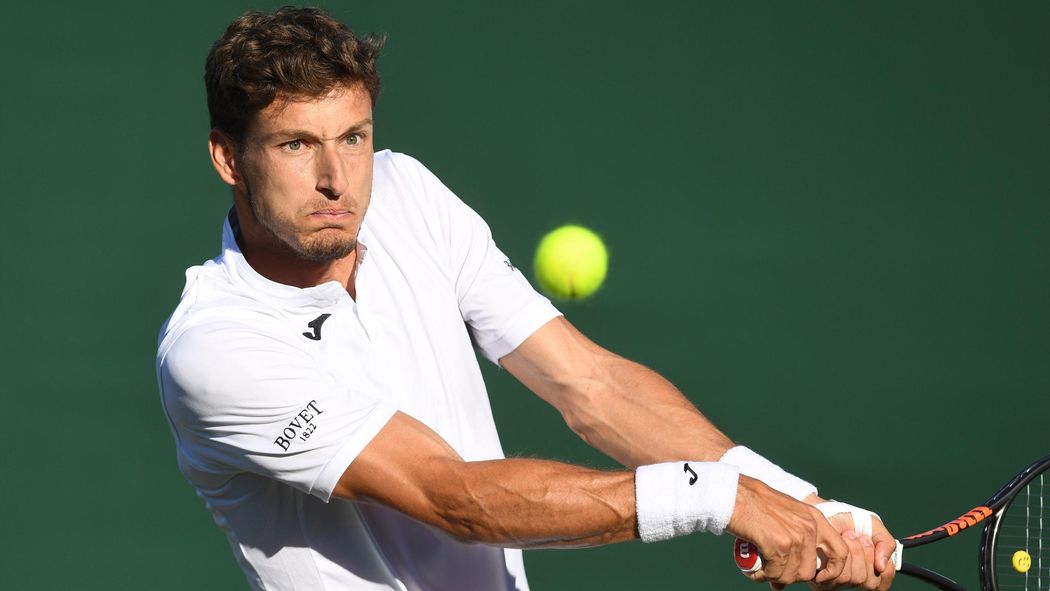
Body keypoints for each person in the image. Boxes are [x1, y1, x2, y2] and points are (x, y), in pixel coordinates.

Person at [156, 7, 898, 591]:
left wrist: (803, 503)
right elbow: (456, 500)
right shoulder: (216, 348)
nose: (337, 179)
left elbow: (589, 385)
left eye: (353, 138)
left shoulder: (407, 194)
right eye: (295, 145)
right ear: (228, 156)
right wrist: (718, 496)